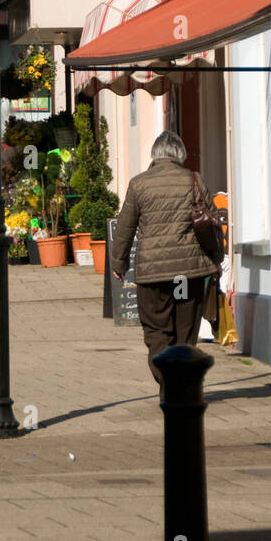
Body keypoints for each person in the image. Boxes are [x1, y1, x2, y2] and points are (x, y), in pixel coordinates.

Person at [111, 130, 220, 388]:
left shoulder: (139, 184)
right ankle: (181, 383)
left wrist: (119, 263)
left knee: (156, 331)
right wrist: (216, 260)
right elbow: (212, 224)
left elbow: (125, 227)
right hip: (188, 274)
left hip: (153, 276)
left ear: (155, 154)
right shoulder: (194, 180)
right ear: (180, 154)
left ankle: (168, 381)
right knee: (185, 331)